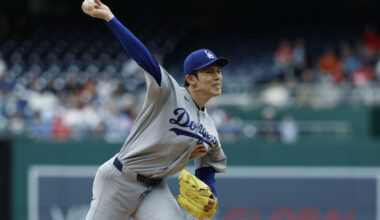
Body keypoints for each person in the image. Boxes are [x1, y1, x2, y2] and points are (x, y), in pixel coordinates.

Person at [81, 0, 228, 219]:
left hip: (154, 188)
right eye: (209, 72)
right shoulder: (168, 91)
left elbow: (207, 165)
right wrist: (111, 19)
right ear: (191, 79)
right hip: (120, 180)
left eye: (218, 71)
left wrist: (210, 193)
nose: (217, 76)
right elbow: (144, 58)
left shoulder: (210, 129)